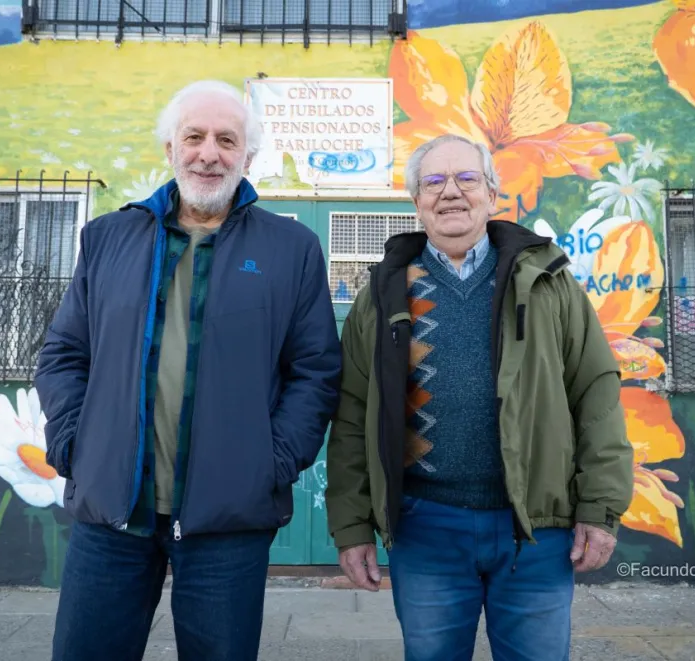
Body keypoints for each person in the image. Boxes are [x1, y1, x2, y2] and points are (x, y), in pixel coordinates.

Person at [35, 79, 342, 661]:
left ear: (247, 158)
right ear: (169, 149)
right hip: (112, 517)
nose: (209, 153)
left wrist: (269, 463)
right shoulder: (107, 238)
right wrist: (75, 444)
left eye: (227, 140)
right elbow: (64, 355)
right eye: (194, 136)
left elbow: (316, 371)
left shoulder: (290, 247)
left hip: (229, 520)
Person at [325, 133, 634, 661]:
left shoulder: (548, 282)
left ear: (492, 194)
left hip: (535, 531)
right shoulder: (380, 296)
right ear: (416, 200)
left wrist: (600, 506)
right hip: (426, 529)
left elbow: (596, 393)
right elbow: (353, 415)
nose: (451, 192)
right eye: (434, 181)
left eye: (467, 178)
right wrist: (352, 525)